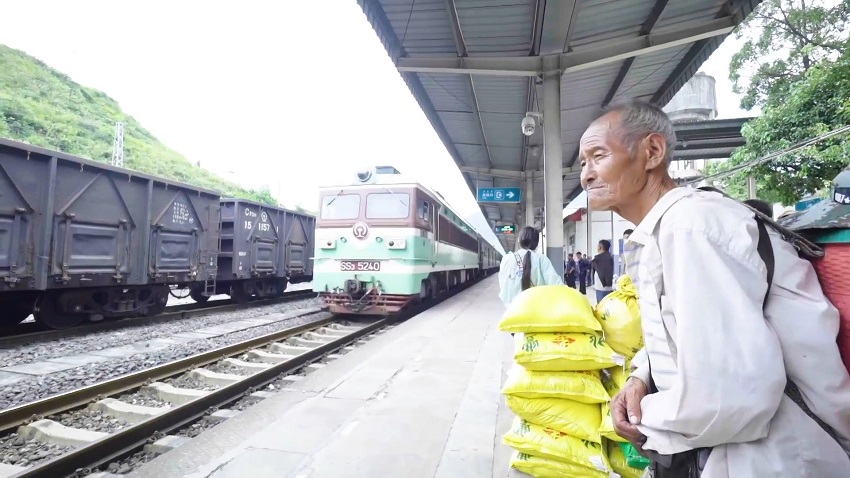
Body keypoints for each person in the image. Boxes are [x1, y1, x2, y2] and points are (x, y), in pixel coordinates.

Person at [578, 99, 850, 477]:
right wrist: (642, 376)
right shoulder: (670, 228)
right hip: (729, 450)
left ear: (652, 152)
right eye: (582, 163)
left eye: (597, 156)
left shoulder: (690, 228)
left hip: (774, 455)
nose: (586, 175)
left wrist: (644, 420)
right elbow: (680, 334)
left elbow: (732, 395)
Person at [497, 226, 563, 306]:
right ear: (536, 242)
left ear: (519, 240)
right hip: (536, 311)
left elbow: (503, 285)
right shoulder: (541, 259)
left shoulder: (507, 259)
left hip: (512, 311)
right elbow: (556, 284)